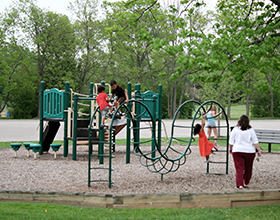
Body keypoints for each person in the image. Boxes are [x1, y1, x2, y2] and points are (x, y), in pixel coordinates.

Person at [229, 115, 262, 189]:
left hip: (237, 150)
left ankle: (239, 184)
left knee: (239, 168)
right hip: (249, 151)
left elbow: (231, 141)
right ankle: (246, 182)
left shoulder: (235, 129)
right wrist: (258, 150)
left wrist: (230, 148)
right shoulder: (250, 130)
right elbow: (255, 141)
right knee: (248, 167)